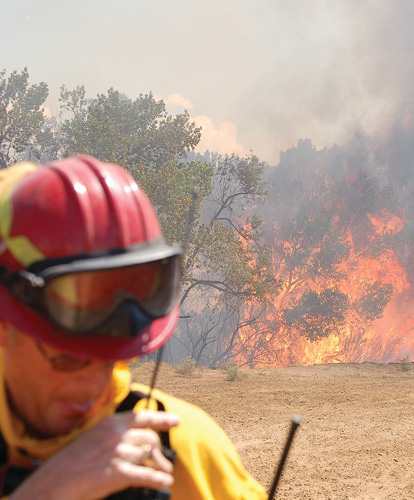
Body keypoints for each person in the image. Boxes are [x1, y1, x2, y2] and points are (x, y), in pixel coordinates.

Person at [0, 156, 268, 499]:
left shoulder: (187, 451)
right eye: (67, 357)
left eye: (113, 360)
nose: (95, 386)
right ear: (5, 326)